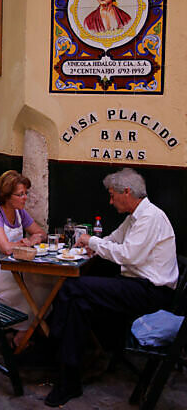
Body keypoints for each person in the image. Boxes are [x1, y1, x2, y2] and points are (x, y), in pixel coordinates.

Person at [44, 168, 178, 408]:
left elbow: (128, 255)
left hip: (152, 293)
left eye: (112, 195)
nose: (110, 200)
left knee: (71, 287)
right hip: (136, 286)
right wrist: (95, 245)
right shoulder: (135, 216)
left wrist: (91, 241)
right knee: (78, 302)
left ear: (126, 192)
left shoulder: (150, 218)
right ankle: (69, 377)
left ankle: (53, 342)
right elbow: (114, 240)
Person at [0, 170, 51, 348]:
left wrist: (31, 239)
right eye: (20, 194)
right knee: (28, 291)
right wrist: (27, 242)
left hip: (7, 266)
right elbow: (5, 247)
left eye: (25, 193)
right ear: (6, 195)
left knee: (46, 284)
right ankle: (22, 335)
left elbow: (41, 233)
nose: (25, 198)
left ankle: (24, 331)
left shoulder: (19, 212)